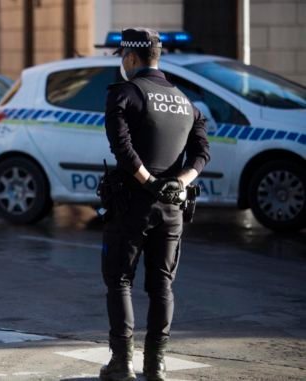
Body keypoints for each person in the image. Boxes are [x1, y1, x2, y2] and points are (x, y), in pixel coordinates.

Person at [99, 28, 210, 381]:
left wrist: (149, 182)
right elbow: (202, 153)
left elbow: (122, 147)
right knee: (162, 285)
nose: (122, 64)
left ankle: (121, 363)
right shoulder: (185, 102)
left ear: (131, 58)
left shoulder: (124, 93)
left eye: (123, 58)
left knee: (119, 280)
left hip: (132, 202)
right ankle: (155, 365)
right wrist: (178, 183)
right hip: (173, 208)